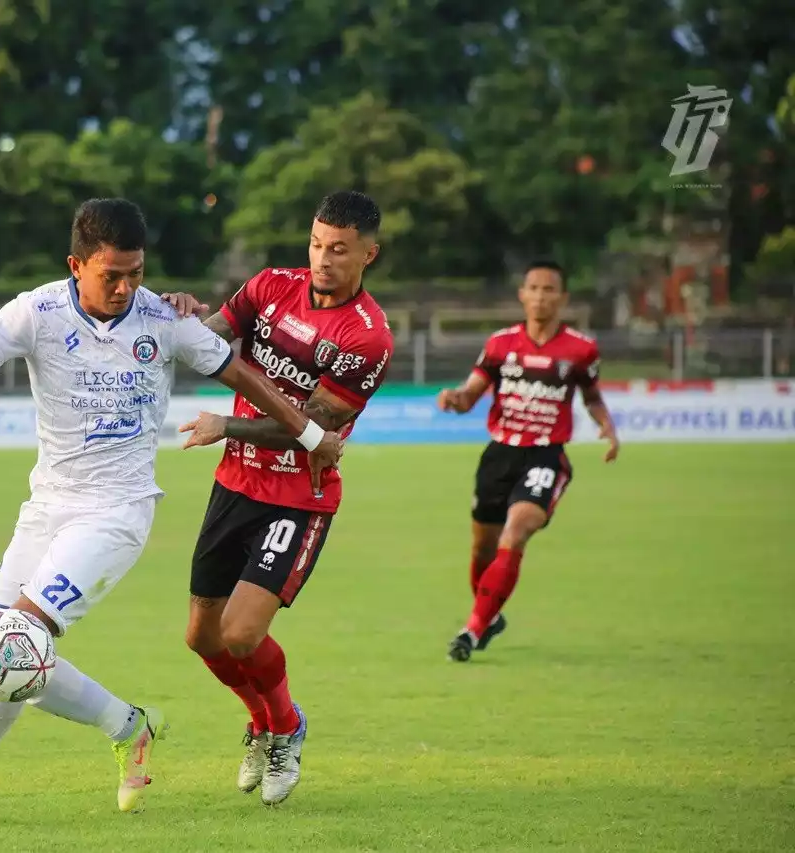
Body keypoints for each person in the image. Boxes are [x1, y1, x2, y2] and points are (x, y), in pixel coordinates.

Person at [0, 198, 344, 827]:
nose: (125, 288)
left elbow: (245, 376)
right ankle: (129, 725)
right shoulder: (34, 311)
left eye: (136, 273)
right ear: (76, 265)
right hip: (46, 507)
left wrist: (309, 435)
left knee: (13, 643)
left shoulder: (161, 321)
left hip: (116, 513)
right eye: (110, 275)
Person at [161, 190, 394, 806]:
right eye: (317, 243)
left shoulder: (366, 337)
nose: (323, 258)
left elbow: (312, 427)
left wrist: (227, 425)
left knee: (240, 633)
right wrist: (174, 315)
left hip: (298, 498)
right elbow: (205, 342)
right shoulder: (268, 287)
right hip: (234, 483)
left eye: (339, 249)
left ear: (370, 254)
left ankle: (287, 727)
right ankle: (261, 724)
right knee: (201, 637)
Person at [436, 260, 620, 663]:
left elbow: (591, 395)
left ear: (563, 298)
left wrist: (606, 426)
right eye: (533, 288)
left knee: (515, 531)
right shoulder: (501, 345)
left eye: (549, 289)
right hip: (499, 454)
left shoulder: (581, 349)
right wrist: (455, 398)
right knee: (482, 549)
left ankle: (471, 630)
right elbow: (471, 393)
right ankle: (489, 614)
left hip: (545, 455)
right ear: (522, 294)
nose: (540, 296)